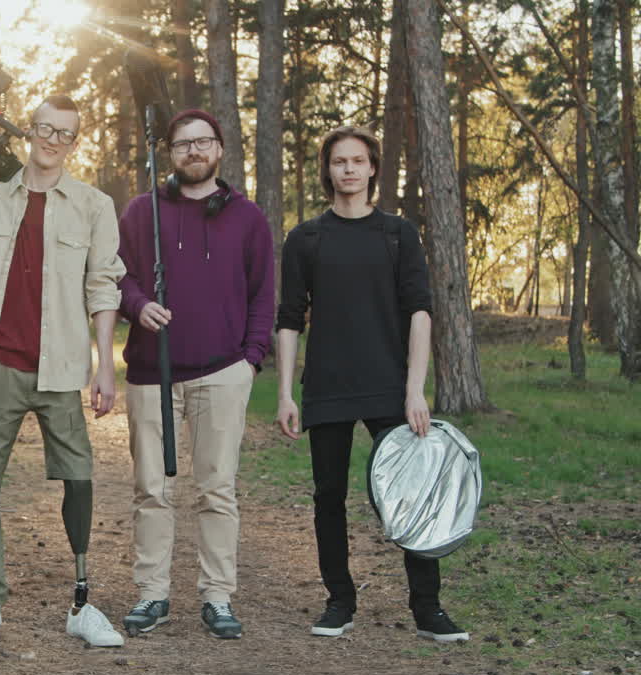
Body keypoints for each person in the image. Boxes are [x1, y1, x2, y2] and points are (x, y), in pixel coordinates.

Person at [0, 95, 126, 647]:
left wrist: (106, 365)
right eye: (45, 128)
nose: (52, 139)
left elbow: (103, 286)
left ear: (74, 142)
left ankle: (82, 602)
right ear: (31, 131)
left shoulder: (93, 205)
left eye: (64, 132)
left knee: (79, 478)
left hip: (61, 368)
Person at [275, 125, 469, 643]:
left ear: (372, 168)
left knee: (413, 491)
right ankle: (339, 601)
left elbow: (420, 312)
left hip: (389, 386)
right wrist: (286, 394)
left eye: (358, 161)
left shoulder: (398, 235)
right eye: (340, 161)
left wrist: (415, 390)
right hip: (328, 385)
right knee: (329, 496)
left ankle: (428, 608)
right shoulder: (305, 239)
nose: (349, 169)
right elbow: (289, 318)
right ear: (328, 170)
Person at [115, 109, 274, 639]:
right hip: (151, 373)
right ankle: (152, 593)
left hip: (223, 371)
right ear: (170, 153)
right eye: (183, 143)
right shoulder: (142, 212)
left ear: (220, 149)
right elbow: (117, 275)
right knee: (151, 489)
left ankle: (217, 596)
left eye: (203, 141)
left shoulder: (247, 218)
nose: (194, 150)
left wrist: (251, 359)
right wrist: (138, 304)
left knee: (217, 489)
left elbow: (263, 294)